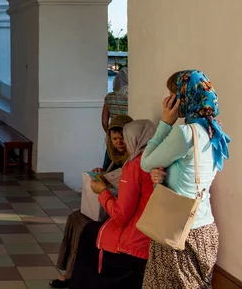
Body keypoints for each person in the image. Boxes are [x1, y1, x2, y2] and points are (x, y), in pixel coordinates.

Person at [140, 70, 230, 289]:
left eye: (173, 94)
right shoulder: (214, 131)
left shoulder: (185, 133)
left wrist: (165, 123)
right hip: (205, 231)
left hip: (178, 231)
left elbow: (145, 162)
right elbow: (191, 175)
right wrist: (163, 176)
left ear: (185, 96)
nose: (169, 100)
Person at [69, 120, 157, 289]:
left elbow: (120, 216)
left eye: (125, 138)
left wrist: (102, 191)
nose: (121, 143)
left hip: (134, 242)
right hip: (150, 233)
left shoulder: (136, 164)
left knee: (88, 232)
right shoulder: (157, 161)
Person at [52, 114, 133, 288]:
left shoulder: (134, 160)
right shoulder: (113, 155)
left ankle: (74, 275)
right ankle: (69, 271)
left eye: (122, 138)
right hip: (109, 203)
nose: (119, 143)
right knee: (75, 218)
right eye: (114, 139)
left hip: (118, 211)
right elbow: (110, 177)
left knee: (85, 228)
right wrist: (100, 173)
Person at [102, 68, 129, 171]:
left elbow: (104, 122)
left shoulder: (110, 97)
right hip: (128, 136)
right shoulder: (133, 97)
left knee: (108, 166)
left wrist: (111, 134)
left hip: (113, 133)